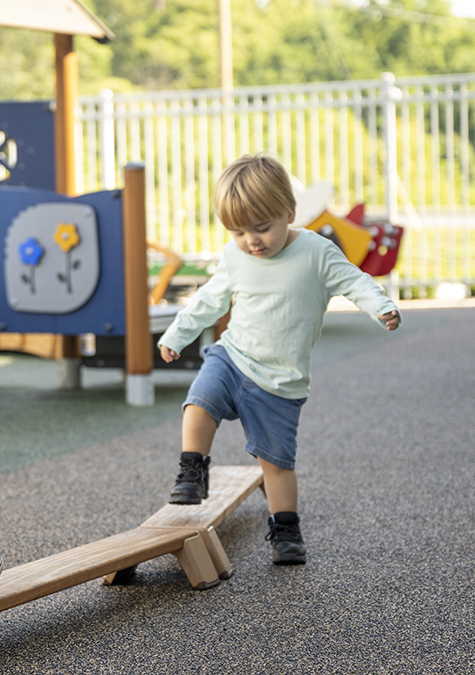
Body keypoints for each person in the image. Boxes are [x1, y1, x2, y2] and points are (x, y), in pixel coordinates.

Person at [157, 153, 401, 565]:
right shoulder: (236, 257)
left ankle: (286, 530)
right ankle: (192, 470)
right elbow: (208, 301)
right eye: (237, 232)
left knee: (276, 464)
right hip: (233, 358)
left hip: (280, 384)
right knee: (198, 402)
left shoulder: (316, 252)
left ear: (289, 213)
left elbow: (356, 281)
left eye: (262, 228)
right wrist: (177, 335)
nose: (251, 241)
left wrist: (380, 307)